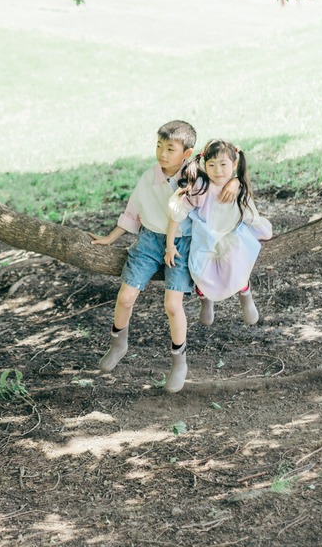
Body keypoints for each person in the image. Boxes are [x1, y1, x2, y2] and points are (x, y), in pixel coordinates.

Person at [90, 120, 238, 393]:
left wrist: (237, 180)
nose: (162, 154)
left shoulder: (197, 178)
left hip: (182, 242)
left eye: (170, 149)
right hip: (149, 239)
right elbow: (133, 209)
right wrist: (111, 238)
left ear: (187, 152)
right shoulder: (149, 176)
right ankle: (118, 344)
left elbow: (224, 174)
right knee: (125, 296)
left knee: (172, 305)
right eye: (159, 146)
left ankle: (178, 361)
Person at [165, 140, 272, 327]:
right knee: (200, 269)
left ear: (234, 165)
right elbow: (177, 213)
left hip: (231, 234)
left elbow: (249, 214)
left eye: (223, 165)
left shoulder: (238, 188)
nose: (218, 171)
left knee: (235, 260)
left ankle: (245, 294)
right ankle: (206, 301)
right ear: (204, 165)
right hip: (206, 237)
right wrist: (170, 245)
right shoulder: (201, 187)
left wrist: (236, 181)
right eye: (212, 165)